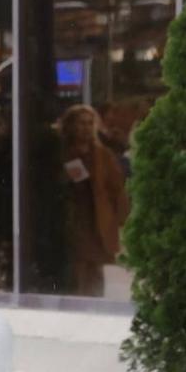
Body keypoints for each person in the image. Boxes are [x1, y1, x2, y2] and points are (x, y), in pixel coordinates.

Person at [57, 104, 132, 297]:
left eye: (90, 123)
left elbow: (117, 188)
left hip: (98, 218)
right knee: (77, 268)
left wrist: (122, 218)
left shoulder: (103, 154)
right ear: (71, 125)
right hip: (72, 217)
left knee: (95, 267)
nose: (86, 127)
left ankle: (94, 304)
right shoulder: (63, 153)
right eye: (81, 123)